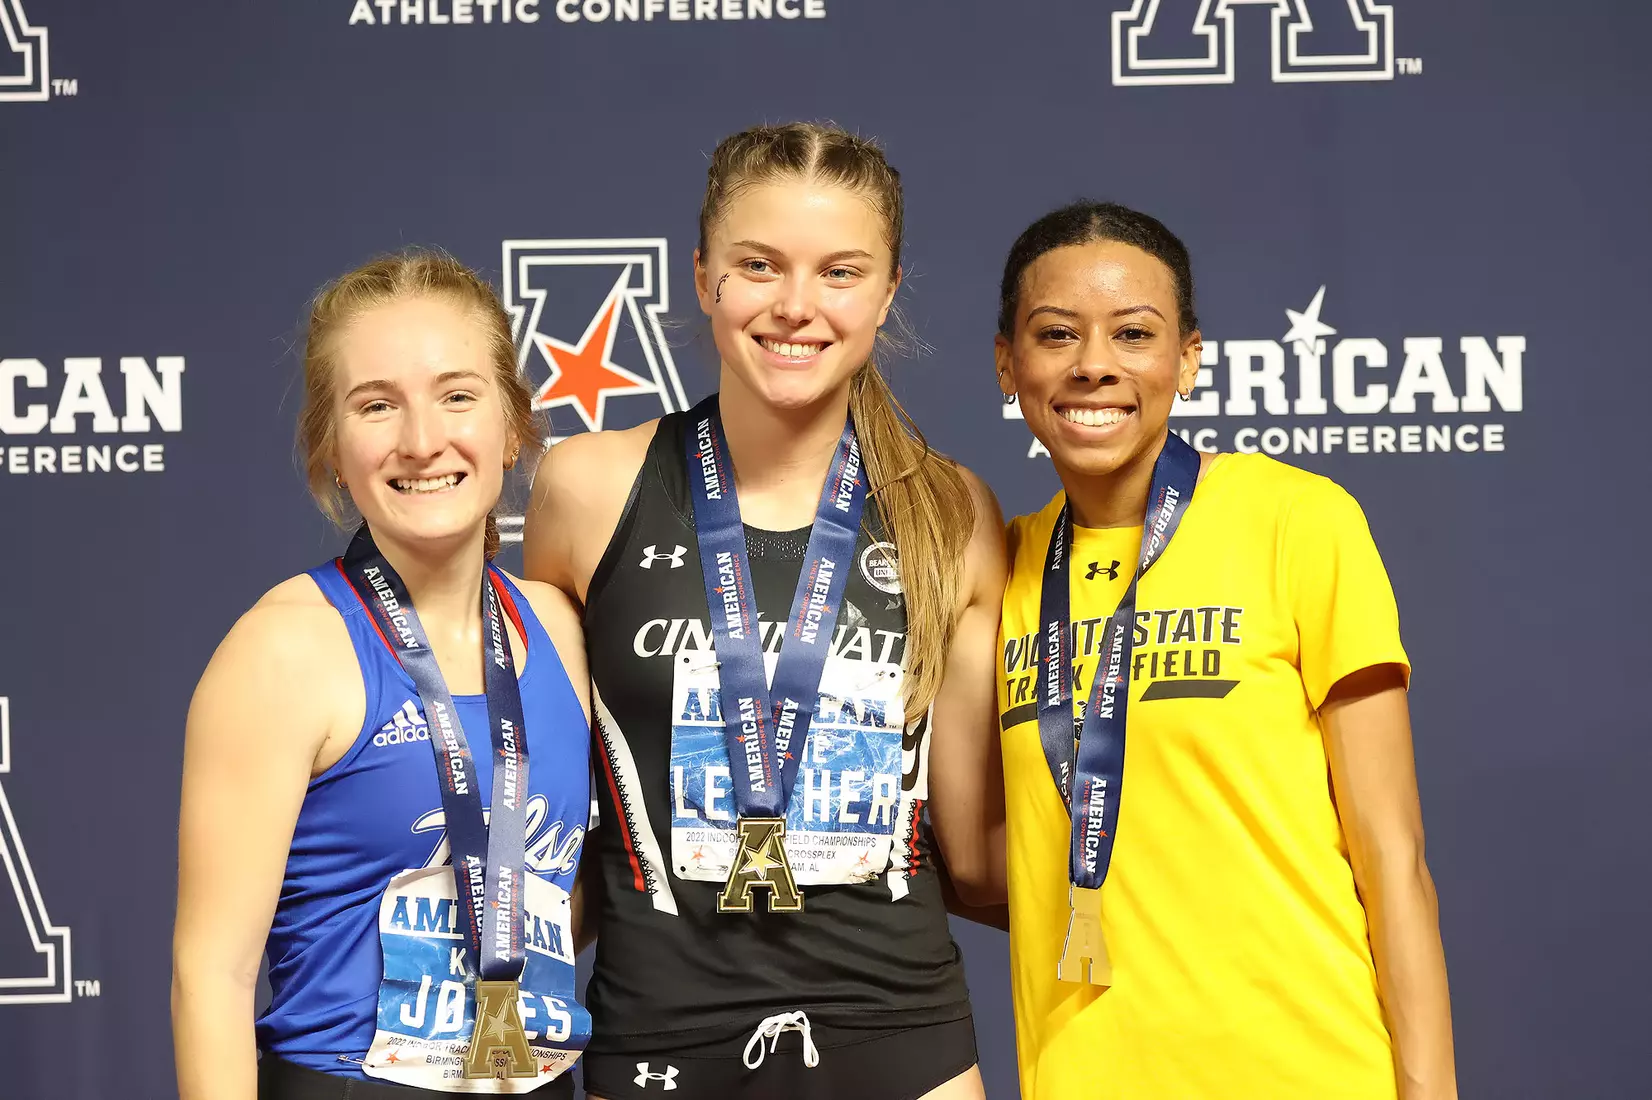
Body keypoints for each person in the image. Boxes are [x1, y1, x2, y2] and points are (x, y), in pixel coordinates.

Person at [523, 122, 1007, 1100]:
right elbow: (552, 802)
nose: (795, 305)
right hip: (659, 1034)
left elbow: (973, 857)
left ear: (887, 292)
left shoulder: (951, 509)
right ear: (702, 276)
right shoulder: (585, 487)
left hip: (900, 1036)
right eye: (758, 265)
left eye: (839, 272)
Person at [992, 201, 1457, 1100]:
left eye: (1134, 333)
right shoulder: (1002, 568)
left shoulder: (1297, 520)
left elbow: (1392, 858)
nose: (1095, 364)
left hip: (1310, 1072)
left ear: (1189, 359)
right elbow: (989, 861)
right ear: (1008, 364)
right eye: (1056, 334)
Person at [172, 251, 594, 1099]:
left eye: (457, 396)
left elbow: (560, 898)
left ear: (513, 427)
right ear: (332, 448)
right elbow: (210, 978)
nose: (422, 440)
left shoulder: (557, 626)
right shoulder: (284, 650)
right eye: (376, 405)